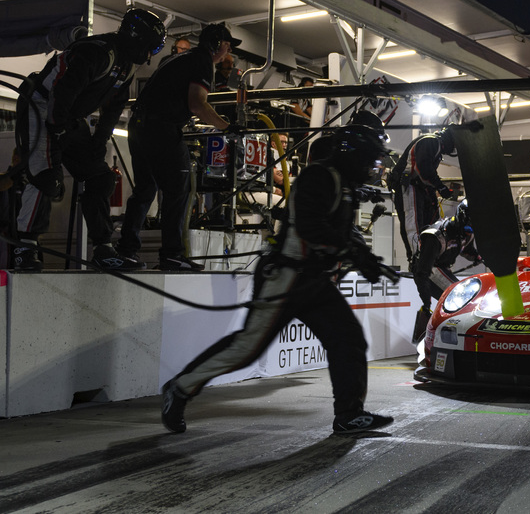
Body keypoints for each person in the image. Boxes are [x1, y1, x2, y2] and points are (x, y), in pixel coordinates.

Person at [160, 124, 397, 435]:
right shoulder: (318, 177)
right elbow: (311, 229)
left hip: (314, 281)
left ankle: (349, 414)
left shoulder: (344, 184)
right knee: (247, 349)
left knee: (348, 339)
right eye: (372, 160)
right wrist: (355, 253)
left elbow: (339, 232)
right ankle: (180, 388)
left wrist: (365, 258)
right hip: (286, 278)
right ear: (356, 155)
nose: (374, 168)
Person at [13, 8, 166, 271]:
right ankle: (25, 248)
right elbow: (63, 90)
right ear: (138, 40)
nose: (150, 56)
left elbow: (114, 107)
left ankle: (103, 249)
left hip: (69, 115)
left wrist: (99, 141)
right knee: (46, 177)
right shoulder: (97, 52)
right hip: (41, 107)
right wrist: (58, 128)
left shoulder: (126, 65)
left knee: (101, 177)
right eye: (150, 48)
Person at [116, 22, 235, 271]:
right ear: (217, 44)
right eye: (227, 45)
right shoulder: (202, 61)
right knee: (179, 189)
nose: (228, 52)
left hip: (139, 126)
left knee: (145, 190)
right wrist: (227, 127)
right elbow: (197, 104)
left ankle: (125, 250)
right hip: (162, 128)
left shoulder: (180, 59)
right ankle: (172, 254)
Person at [411, 198, 479, 342]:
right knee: (462, 295)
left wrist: (478, 257)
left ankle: (450, 335)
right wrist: (426, 302)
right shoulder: (435, 236)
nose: (469, 234)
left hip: (442, 268)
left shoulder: (465, 233)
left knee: (463, 298)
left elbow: (466, 249)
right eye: (468, 228)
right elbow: (422, 272)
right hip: (428, 269)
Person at [388, 127, 456, 261]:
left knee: (428, 222)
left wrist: (436, 191)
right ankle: (417, 257)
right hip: (409, 186)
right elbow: (423, 168)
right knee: (413, 223)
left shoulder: (433, 143)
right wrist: (440, 186)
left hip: (418, 187)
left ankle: (428, 255)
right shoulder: (431, 141)